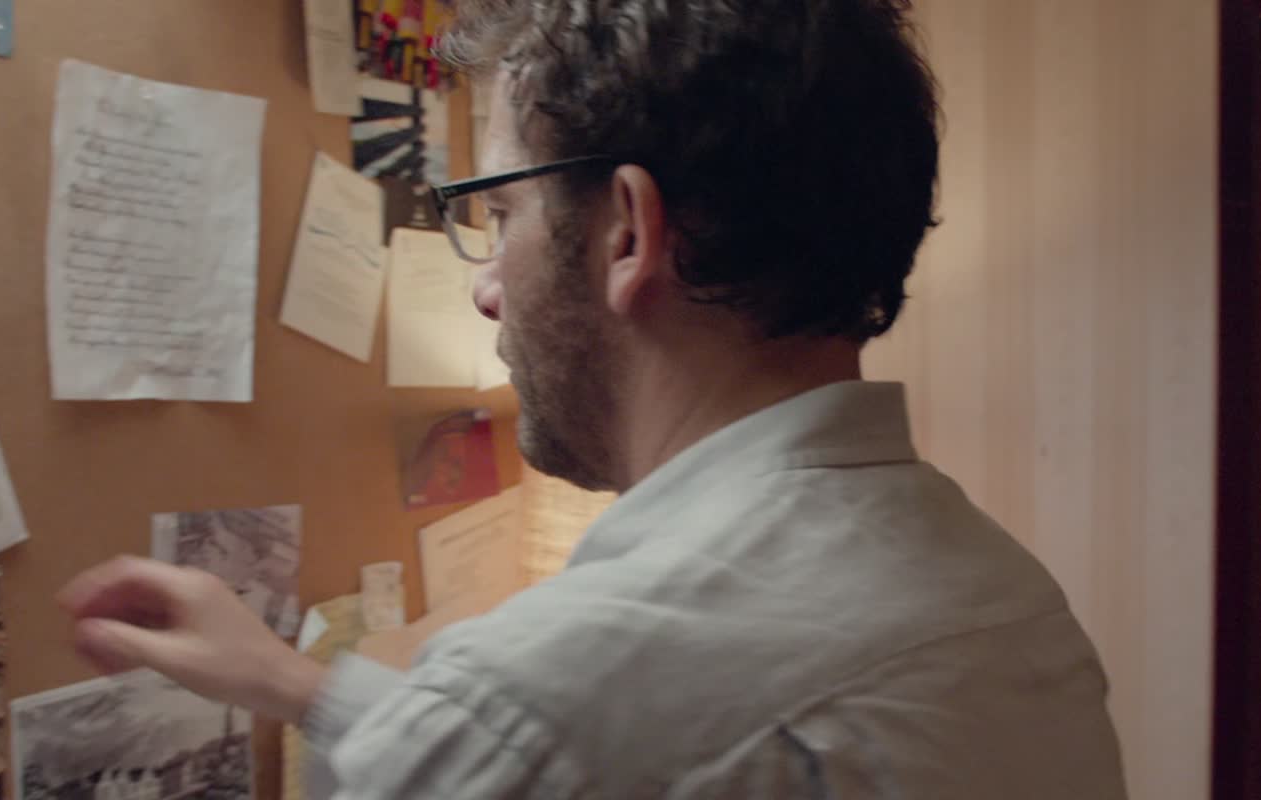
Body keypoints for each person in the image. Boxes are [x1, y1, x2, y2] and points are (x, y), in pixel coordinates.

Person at [56, 0, 1128, 796]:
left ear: (626, 232)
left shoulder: (540, 698)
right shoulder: (1009, 600)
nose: (485, 286)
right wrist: (294, 683)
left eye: (499, 213)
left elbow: (536, 735)